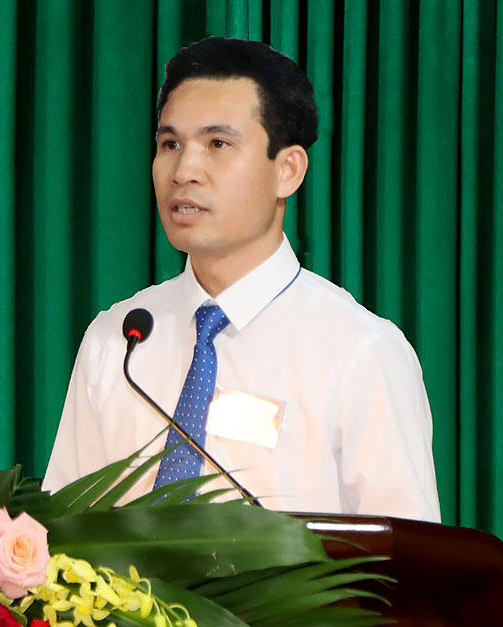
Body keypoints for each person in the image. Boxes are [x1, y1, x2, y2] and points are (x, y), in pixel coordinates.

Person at [42, 37, 440, 522]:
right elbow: (61, 534)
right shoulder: (119, 339)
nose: (184, 171)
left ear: (287, 171)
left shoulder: (358, 351)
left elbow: (407, 557)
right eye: (170, 144)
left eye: (218, 144)